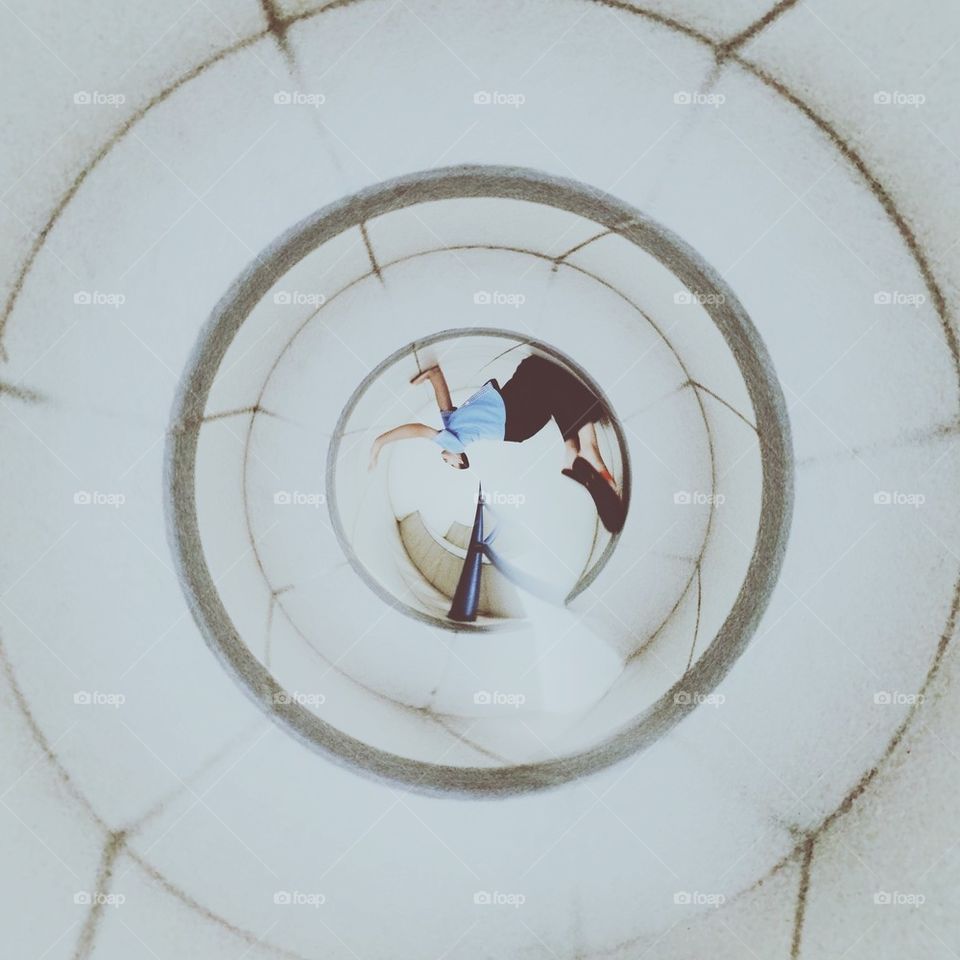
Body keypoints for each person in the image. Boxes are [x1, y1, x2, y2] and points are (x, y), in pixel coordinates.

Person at [368, 355, 625, 532]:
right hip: (513, 419)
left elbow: (440, 391)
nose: (444, 459)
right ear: (459, 460)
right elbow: (418, 430)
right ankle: (586, 448)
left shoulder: (452, 422)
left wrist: (432, 374)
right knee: (536, 370)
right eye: (449, 464)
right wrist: (380, 442)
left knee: (548, 383)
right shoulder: (455, 443)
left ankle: (575, 449)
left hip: (515, 420)